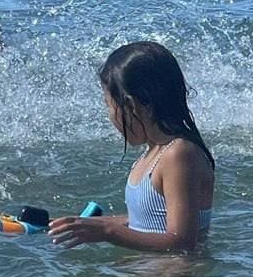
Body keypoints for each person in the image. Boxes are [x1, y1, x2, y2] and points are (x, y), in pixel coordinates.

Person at [48, 42, 214, 251]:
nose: (109, 116)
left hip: (172, 273)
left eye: (109, 105)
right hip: (147, 268)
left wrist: (107, 231)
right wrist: (78, 224)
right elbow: (143, 221)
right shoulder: (152, 154)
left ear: (131, 105)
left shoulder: (178, 154)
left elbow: (182, 242)